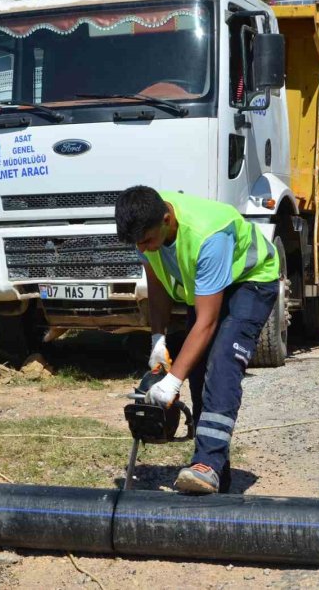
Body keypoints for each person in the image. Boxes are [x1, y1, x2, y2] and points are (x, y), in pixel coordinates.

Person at [115, 186, 280, 494]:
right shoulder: (145, 228)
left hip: (251, 282)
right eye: (139, 244)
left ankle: (207, 464)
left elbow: (207, 322)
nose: (145, 249)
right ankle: (216, 474)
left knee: (222, 364)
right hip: (208, 286)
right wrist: (158, 340)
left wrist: (171, 382)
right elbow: (158, 285)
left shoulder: (208, 235)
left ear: (167, 219)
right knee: (199, 370)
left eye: (148, 241)